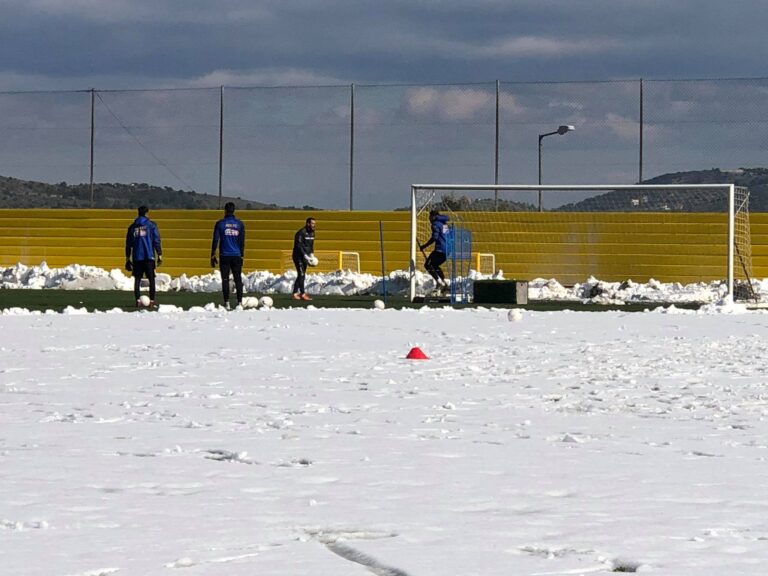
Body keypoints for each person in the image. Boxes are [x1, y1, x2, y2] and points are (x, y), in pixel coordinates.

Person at [125, 205, 163, 307]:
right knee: (151, 279)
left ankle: (137, 300)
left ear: (138, 213)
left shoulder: (132, 227)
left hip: (137, 257)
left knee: (137, 279)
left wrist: (127, 258)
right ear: (147, 213)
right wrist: (159, 254)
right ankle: (152, 301)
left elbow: (128, 244)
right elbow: (156, 240)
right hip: (149, 256)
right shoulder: (151, 225)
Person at [210, 201, 246, 309]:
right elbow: (242, 241)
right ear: (234, 211)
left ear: (225, 211)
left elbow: (215, 240)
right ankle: (239, 302)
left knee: (225, 279)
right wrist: (242, 255)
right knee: (238, 279)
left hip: (224, 255)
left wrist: (212, 254)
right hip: (236, 255)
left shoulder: (220, 223)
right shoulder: (239, 224)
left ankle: (227, 303)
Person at [419, 209, 450, 294]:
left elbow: (435, 237)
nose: (429, 218)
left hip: (440, 249)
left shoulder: (435, 224)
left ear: (433, 216)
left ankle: (439, 282)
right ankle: (444, 282)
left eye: (430, 216)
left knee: (428, 265)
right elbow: (447, 235)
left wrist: (424, 246)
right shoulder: (444, 224)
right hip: (447, 250)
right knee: (435, 265)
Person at [292, 217, 316, 300]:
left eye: (314, 224)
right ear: (308, 223)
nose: (313, 225)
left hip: (306, 257)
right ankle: (302, 294)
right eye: (312, 223)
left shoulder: (312, 233)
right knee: (301, 274)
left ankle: (295, 293)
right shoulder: (301, 233)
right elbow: (298, 246)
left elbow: (311, 245)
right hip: (298, 256)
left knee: (301, 275)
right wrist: (304, 254)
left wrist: (311, 254)